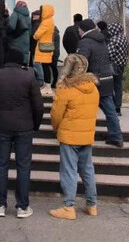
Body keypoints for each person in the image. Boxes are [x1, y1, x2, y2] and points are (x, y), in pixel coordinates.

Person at [0, 49, 44, 219]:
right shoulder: (29, 76)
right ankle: (22, 206)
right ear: (20, 61)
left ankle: (0, 205)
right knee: (23, 166)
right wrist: (35, 125)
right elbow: (38, 105)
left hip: (2, 126)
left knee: (1, 165)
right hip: (24, 128)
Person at [49, 54, 100, 220]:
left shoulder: (65, 89)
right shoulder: (93, 88)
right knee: (87, 170)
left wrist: (56, 128)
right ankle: (92, 205)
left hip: (69, 135)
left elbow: (56, 114)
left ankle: (69, 207)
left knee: (69, 170)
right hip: (87, 134)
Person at [77, 19, 123, 147]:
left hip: (93, 80)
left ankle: (83, 134)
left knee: (82, 108)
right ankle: (116, 135)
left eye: (79, 29)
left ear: (84, 29)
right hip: (106, 78)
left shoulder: (85, 42)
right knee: (110, 109)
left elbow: (81, 62)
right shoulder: (101, 40)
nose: (78, 31)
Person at [107, 23, 129, 115]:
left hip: (113, 66)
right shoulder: (125, 39)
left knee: (109, 87)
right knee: (118, 87)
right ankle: (118, 107)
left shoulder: (114, 40)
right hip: (121, 65)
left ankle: (112, 107)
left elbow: (108, 53)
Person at [33, 5, 56, 96]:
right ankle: (47, 86)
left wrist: (35, 35)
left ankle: (48, 87)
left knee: (45, 67)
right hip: (47, 45)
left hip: (44, 46)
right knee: (46, 66)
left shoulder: (46, 22)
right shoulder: (50, 21)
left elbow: (37, 35)